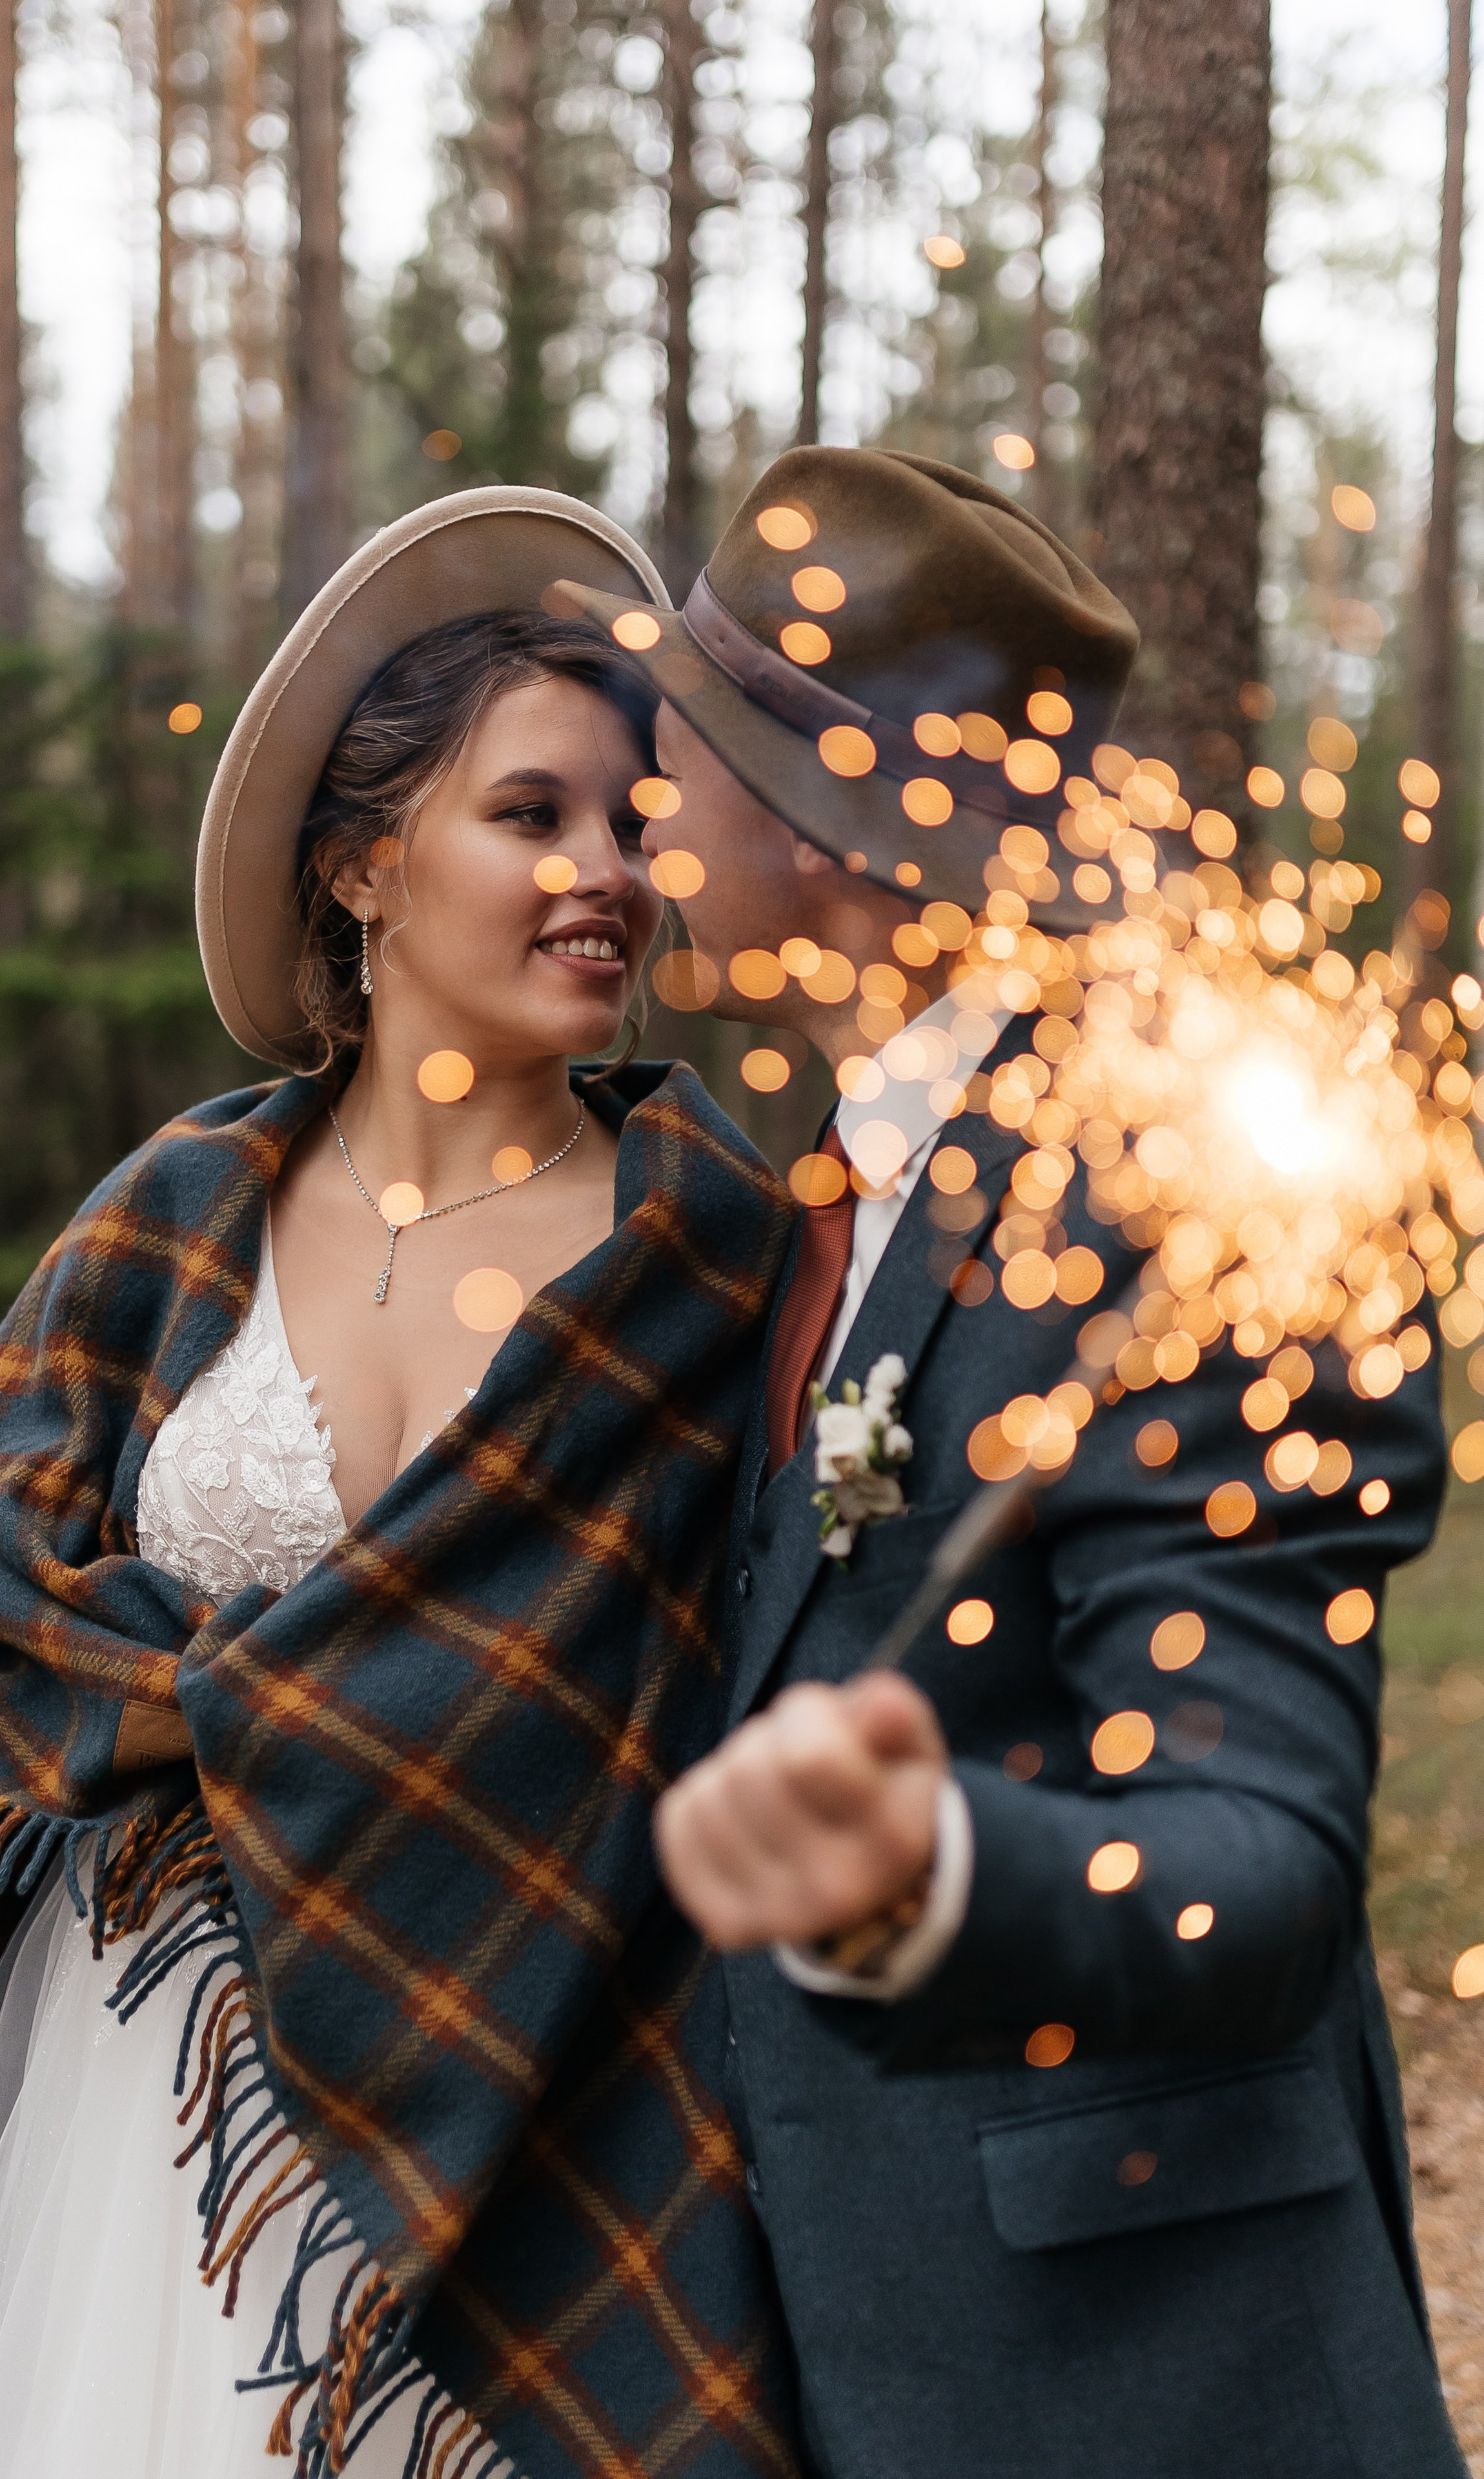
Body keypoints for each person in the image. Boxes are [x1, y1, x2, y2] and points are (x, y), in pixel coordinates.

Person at [0, 488, 802, 2479]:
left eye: (635, 821)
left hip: (537, 2098)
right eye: (531, 814)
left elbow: (690, 1709)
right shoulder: (182, 1208)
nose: (610, 872)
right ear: (365, 867)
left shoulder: (711, 1255)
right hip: (146, 2083)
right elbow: (12, 1628)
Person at [554, 446, 1467, 2479]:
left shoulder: (1177, 1211)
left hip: (1150, 2396)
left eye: (675, 748)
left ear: (822, 827)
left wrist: (930, 1879)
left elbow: (1261, 1864)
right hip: (865, 2359)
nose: (639, 803)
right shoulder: (821, 1196)